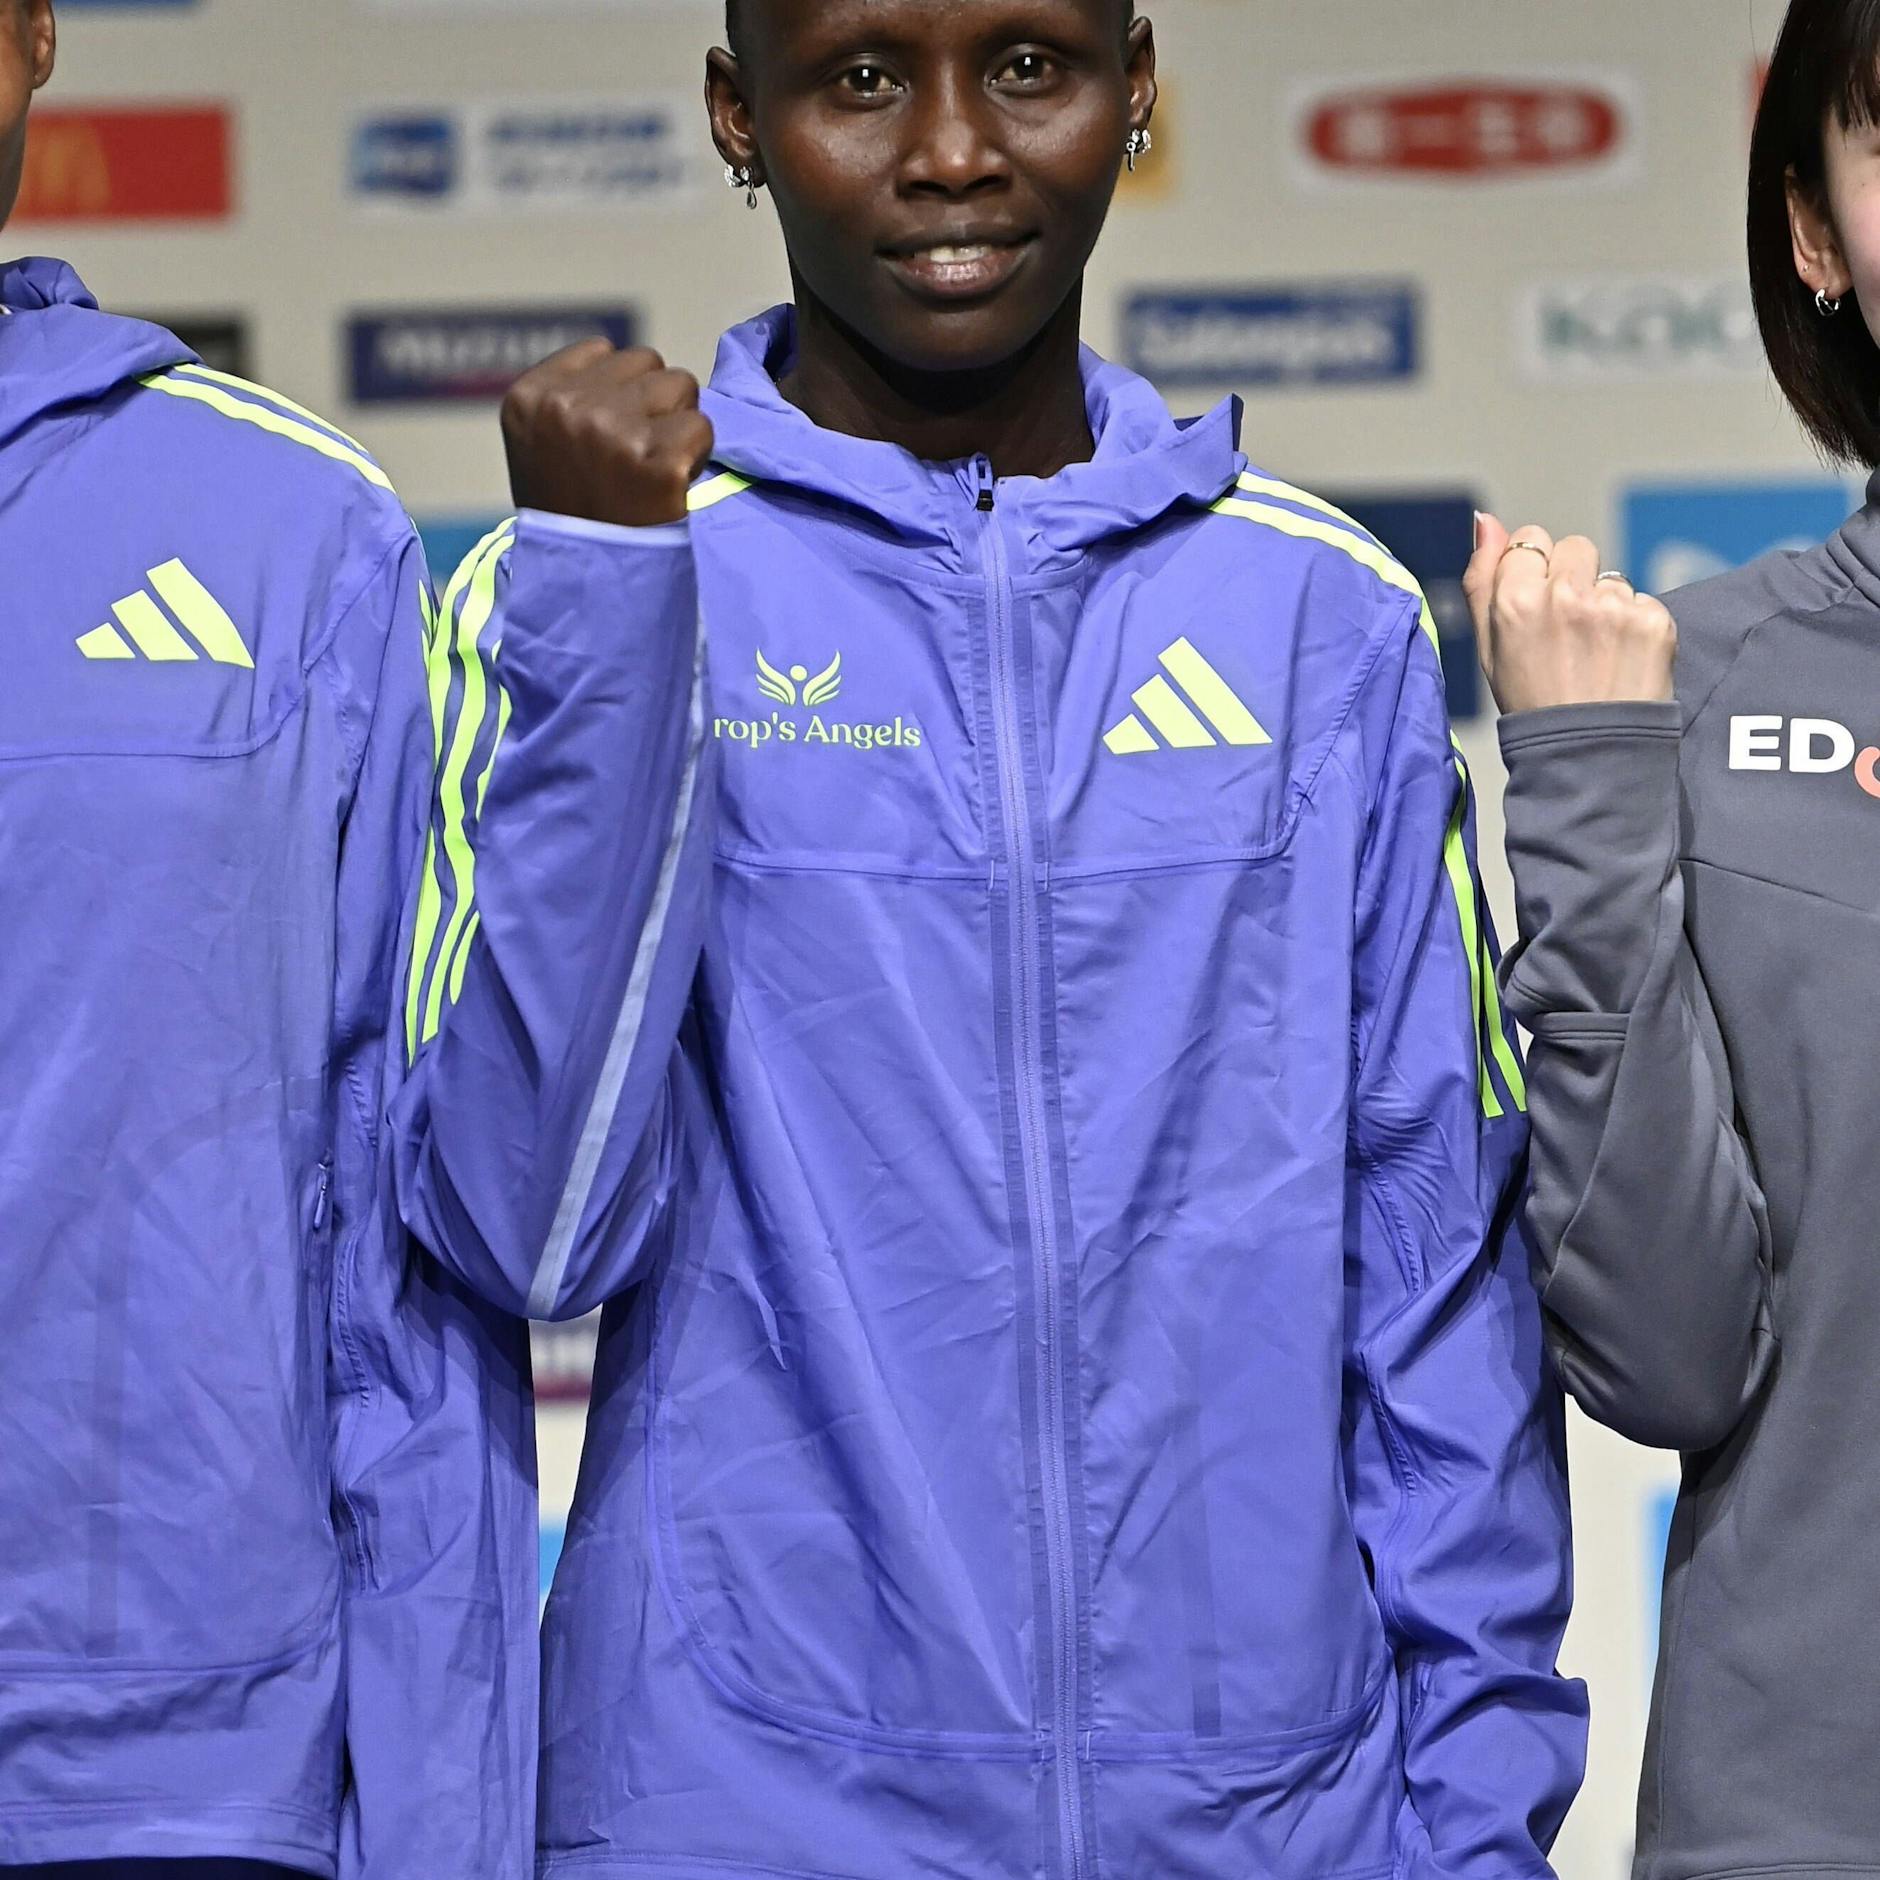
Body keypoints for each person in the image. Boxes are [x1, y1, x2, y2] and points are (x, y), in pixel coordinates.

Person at [394, 0, 1588, 1874]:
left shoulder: (1319, 612)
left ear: (1136, 90)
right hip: (744, 1820)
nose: (952, 150)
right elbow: (524, 1230)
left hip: (1280, 1825)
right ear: (738, 113)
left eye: (1027, 64)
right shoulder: (590, 577)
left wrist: (1477, 1825)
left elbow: (1438, 1271)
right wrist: (611, 613)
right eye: (861, 78)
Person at [0, 3, 536, 1874]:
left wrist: (445, 1830)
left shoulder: (285, 528)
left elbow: (400, 1270)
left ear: (33, 31)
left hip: (170, 1784)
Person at [1464, 1, 1880, 1872]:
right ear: (1816, 234)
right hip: (1804, 1814)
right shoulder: (1689, 688)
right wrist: (1585, 795)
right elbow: (1666, 1358)